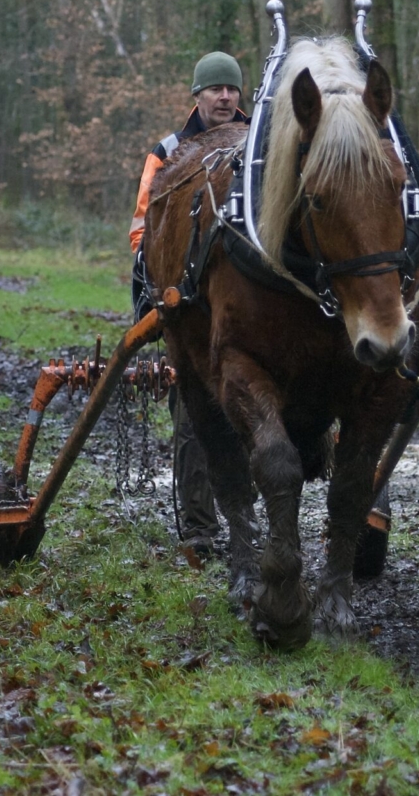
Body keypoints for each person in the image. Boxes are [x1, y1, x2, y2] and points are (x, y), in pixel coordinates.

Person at [129, 51, 250, 554]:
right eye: (215, 89)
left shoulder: (259, 144)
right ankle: (200, 528)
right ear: (197, 95)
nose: (224, 96)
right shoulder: (168, 152)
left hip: (244, 305)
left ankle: (246, 520)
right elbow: (142, 230)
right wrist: (153, 297)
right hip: (186, 304)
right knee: (192, 417)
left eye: (231, 88)